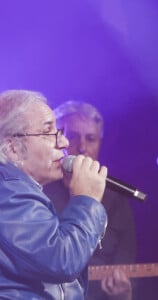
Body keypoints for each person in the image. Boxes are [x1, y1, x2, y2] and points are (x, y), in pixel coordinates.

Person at [0, 89, 109, 299]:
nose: (64, 143)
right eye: (48, 132)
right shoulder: (7, 192)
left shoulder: (18, 190)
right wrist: (86, 200)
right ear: (13, 147)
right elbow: (61, 260)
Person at [44, 100, 136, 300]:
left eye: (91, 138)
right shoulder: (38, 187)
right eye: (73, 136)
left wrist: (124, 295)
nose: (82, 147)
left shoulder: (117, 199)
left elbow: (126, 263)